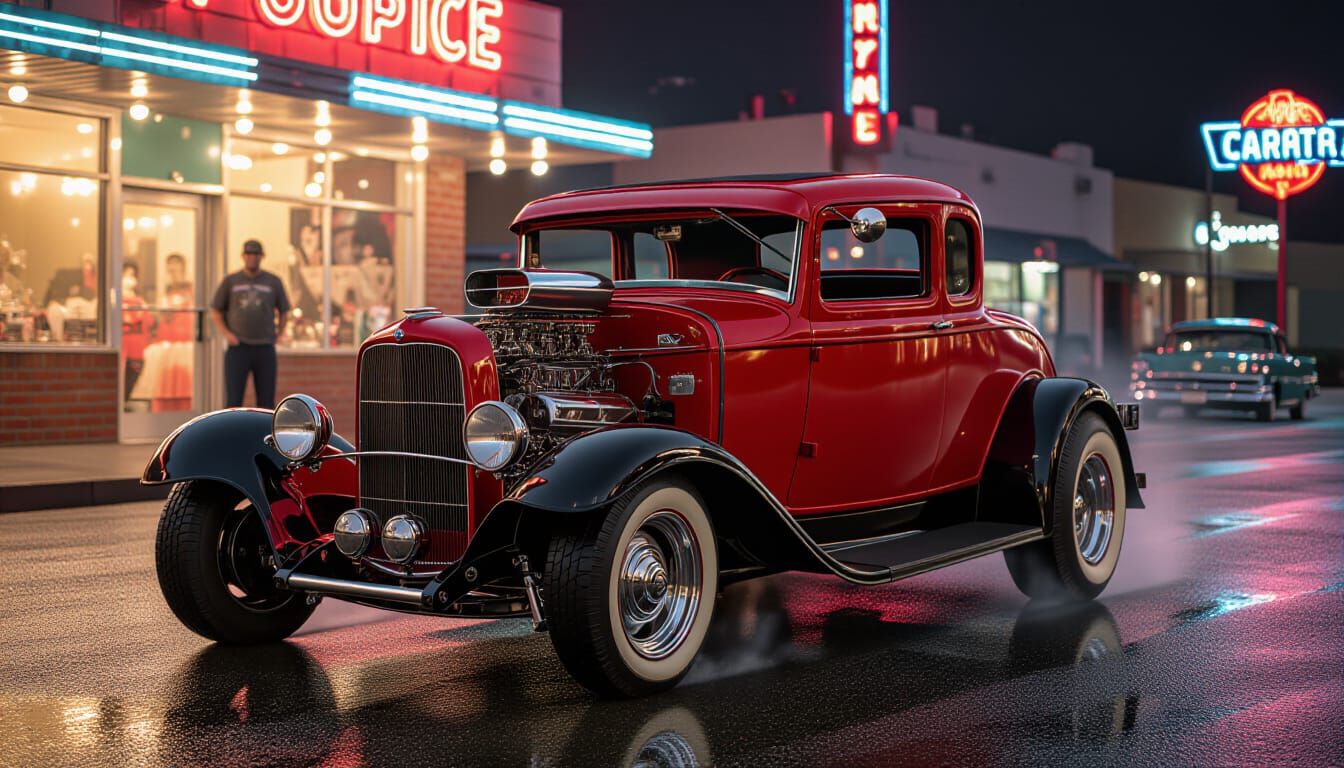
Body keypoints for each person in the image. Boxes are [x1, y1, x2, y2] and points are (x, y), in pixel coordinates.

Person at [211, 239, 290, 409]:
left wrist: (279, 333)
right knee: (234, 399)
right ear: (243, 256)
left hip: (265, 348)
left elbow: (284, 310)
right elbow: (216, 310)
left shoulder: (273, 281)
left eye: (255, 254)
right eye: (248, 254)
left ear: (261, 256)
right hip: (238, 348)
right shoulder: (231, 281)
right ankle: (232, 434)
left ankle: (264, 434)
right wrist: (227, 334)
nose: (252, 258)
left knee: (266, 401)